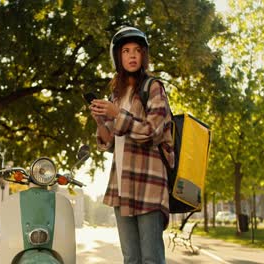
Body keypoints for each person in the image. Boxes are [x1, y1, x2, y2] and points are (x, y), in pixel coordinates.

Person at [89, 26, 173, 264]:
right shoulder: (116, 94)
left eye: (137, 50)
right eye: (126, 51)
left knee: (150, 259)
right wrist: (100, 121)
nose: (132, 55)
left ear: (144, 55)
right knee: (131, 259)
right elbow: (109, 142)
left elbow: (151, 132)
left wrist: (117, 114)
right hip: (122, 185)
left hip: (149, 183)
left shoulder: (153, 87)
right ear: (118, 56)